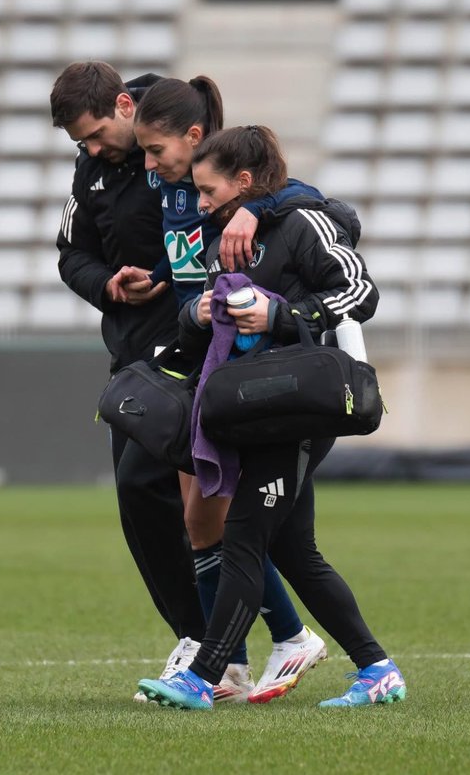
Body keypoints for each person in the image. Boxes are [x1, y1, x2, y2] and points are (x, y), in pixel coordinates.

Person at [137, 126, 407, 709]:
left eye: (208, 191)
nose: (200, 202)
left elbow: (360, 292)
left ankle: (203, 676)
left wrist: (282, 315)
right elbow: (205, 321)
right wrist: (198, 313)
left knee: (243, 536)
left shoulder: (305, 224)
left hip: (305, 404)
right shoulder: (222, 239)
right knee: (292, 550)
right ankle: (378, 669)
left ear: (244, 182)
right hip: (257, 408)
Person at [125, 76, 329, 703]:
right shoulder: (171, 183)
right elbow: (188, 253)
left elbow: (316, 201)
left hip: (242, 363)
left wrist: (256, 208)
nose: (150, 165)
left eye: (156, 151)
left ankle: (287, 641)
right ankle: (233, 665)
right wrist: (161, 277)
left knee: (221, 521)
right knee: (202, 523)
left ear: (192, 139)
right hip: (200, 352)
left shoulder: (227, 180)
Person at [50, 61, 207, 696]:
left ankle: (221, 647)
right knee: (140, 498)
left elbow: (258, 184)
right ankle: (204, 640)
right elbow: (71, 254)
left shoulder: (177, 133)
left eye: (94, 136)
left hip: (193, 346)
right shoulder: (90, 171)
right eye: (78, 144)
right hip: (134, 352)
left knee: (184, 494)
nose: (90, 150)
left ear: (123, 105)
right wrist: (108, 284)